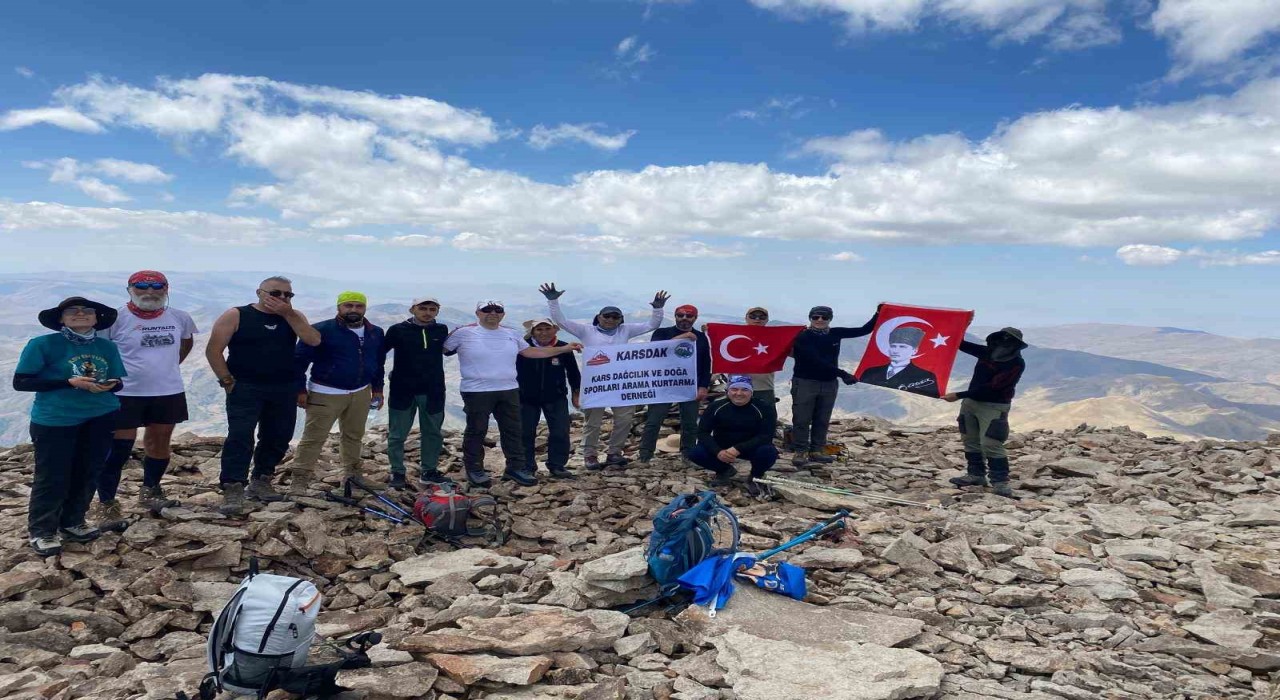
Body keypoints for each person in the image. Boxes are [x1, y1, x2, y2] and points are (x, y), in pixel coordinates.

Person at [13, 297, 126, 556]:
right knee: (53, 474)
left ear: (97, 318)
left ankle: (73, 521)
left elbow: (118, 381)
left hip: (101, 415)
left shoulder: (106, 346)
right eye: (71, 311)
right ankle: (43, 530)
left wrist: (108, 385)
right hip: (55, 419)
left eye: (87, 311)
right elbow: (22, 382)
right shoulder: (43, 344)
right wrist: (69, 383)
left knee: (89, 470)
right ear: (61, 319)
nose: (80, 314)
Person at [206, 276, 321, 516]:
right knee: (240, 436)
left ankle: (262, 478)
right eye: (275, 293)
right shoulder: (236, 315)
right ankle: (233, 485)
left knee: (278, 435)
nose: (281, 299)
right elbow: (213, 350)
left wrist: (288, 314)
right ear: (259, 292)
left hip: (283, 387)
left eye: (287, 295)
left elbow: (313, 340)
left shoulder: (293, 316)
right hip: (246, 386)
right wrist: (227, 381)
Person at [444, 301, 583, 487]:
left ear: (503, 314)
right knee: (477, 431)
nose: (492, 313)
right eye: (487, 310)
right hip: (477, 390)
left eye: (497, 310)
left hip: (509, 390)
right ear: (477, 312)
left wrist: (564, 349)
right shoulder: (464, 333)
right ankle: (475, 469)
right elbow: (443, 350)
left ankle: (515, 468)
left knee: (513, 431)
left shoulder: (511, 333)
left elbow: (532, 352)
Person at [95, 271, 198, 521]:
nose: (149, 292)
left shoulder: (180, 317)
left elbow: (186, 343)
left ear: (166, 289)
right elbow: (101, 352)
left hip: (167, 390)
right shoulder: (114, 319)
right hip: (125, 392)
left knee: (159, 443)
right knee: (118, 449)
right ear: (129, 289)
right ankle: (107, 502)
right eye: (141, 286)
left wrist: (167, 368)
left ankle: (151, 490)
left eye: (157, 287)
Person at [540, 283, 668, 469]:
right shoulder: (586, 331)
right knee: (593, 421)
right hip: (595, 384)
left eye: (615, 317)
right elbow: (562, 322)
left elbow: (651, 325)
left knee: (624, 419)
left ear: (620, 320)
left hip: (621, 384)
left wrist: (658, 308)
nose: (610, 319)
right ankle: (590, 455)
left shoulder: (626, 330)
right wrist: (553, 301)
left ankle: (614, 453)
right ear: (598, 317)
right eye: (606, 316)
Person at [290, 292, 385, 496]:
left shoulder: (375, 332)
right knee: (314, 437)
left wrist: (378, 389)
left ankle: (353, 476)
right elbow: (298, 362)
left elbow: (378, 363)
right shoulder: (321, 330)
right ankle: (299, 479)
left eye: (358, 306)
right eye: (348, 305)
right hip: (325, 392)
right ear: (339, 307)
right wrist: (299, 390)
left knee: (353, 436)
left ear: (365, 308)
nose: (353, 310)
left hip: (361, 392)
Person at [942, 328, 1028, 498]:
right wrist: (961, 325)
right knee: (970, 439)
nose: (1002, 344)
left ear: (1015, 345)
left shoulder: (1016, 364)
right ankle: (976, 475)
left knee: (991, 442)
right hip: (971, 403)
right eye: (1000, 340)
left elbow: (992, 388)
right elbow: (961, 345)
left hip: (994, 406)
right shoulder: (987, 352)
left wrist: (959, 395)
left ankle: (1000, 481)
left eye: (1007, 341)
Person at [789, 304, 878, 468]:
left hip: (829, 383)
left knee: (822, 418)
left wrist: (879, 313)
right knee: (802, 418)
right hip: (805, 382)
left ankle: (817, 450)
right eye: (815, 317)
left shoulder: (836, 333)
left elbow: (864, 330)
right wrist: (843, 374)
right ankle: (800, 451)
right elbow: (815, 361)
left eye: (824, 317)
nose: (820, 320)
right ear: (810, 318)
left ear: (830, 318)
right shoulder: (803, 337)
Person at [380, 296, 450, 490]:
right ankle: (397, 471)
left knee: (433, 432)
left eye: (432, 309)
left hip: (433, 389)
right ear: (413, 310)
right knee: (397, 434)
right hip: (403, 390)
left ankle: (429, 471)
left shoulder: (441, 330)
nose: (427, 312)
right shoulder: (397, 330)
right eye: (423, 308)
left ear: (437, 311)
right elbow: (379, 353)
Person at [637, 304, 710, 465]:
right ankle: (645, 454)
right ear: (675, 316)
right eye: (680, 315)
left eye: (689, 316)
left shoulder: (700, 337)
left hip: (690, 385)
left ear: (695, 318)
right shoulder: (662, 333)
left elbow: (706, 363)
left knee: (690, 422)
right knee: (654, 420)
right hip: (663, 385)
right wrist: (682, 338)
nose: (684, 318)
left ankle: (688, 454)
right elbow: (655, 351)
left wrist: (703, 386)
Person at [687, 376, 778, 497]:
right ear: (728, 391)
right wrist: (717, 451)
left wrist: (737, 449)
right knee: (695, 452)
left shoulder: (764, 408)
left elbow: (766, 436)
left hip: (751, 447)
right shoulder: (716, 407)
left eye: (744, 390)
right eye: (734, 389)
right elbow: (703, 433)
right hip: (723, 447)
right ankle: (724, 470)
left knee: (769, 452)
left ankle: (756, 475)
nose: (739, 393)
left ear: (751, 392)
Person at [516, 318, 581, 480]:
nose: (544, 333)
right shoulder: (522, 347)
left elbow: (573, 372)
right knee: (525, 432)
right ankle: (527, 466)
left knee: (560, 430)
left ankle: (557, 465)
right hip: (525, 397)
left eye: (547, 329)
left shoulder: (563, 347)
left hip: (556, 396)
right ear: (532, 332)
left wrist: (576, 393)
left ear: (554, 330)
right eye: (539, 330)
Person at [858, 325, 941, 398]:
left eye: (902, 347)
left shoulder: (925, 377)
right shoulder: (870, 372)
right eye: (893, 346)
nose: (896, 351)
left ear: (914, 351)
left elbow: (929, 399)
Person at [742, 306, 778, 405]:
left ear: (767, 320)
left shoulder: (775, 337)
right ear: (746, 318)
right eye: (753, 316)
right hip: (738, 387)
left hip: (764, 387)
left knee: (767, 418)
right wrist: (709, 331)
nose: (757, 319)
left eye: (762, 317)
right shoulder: (732, 335)